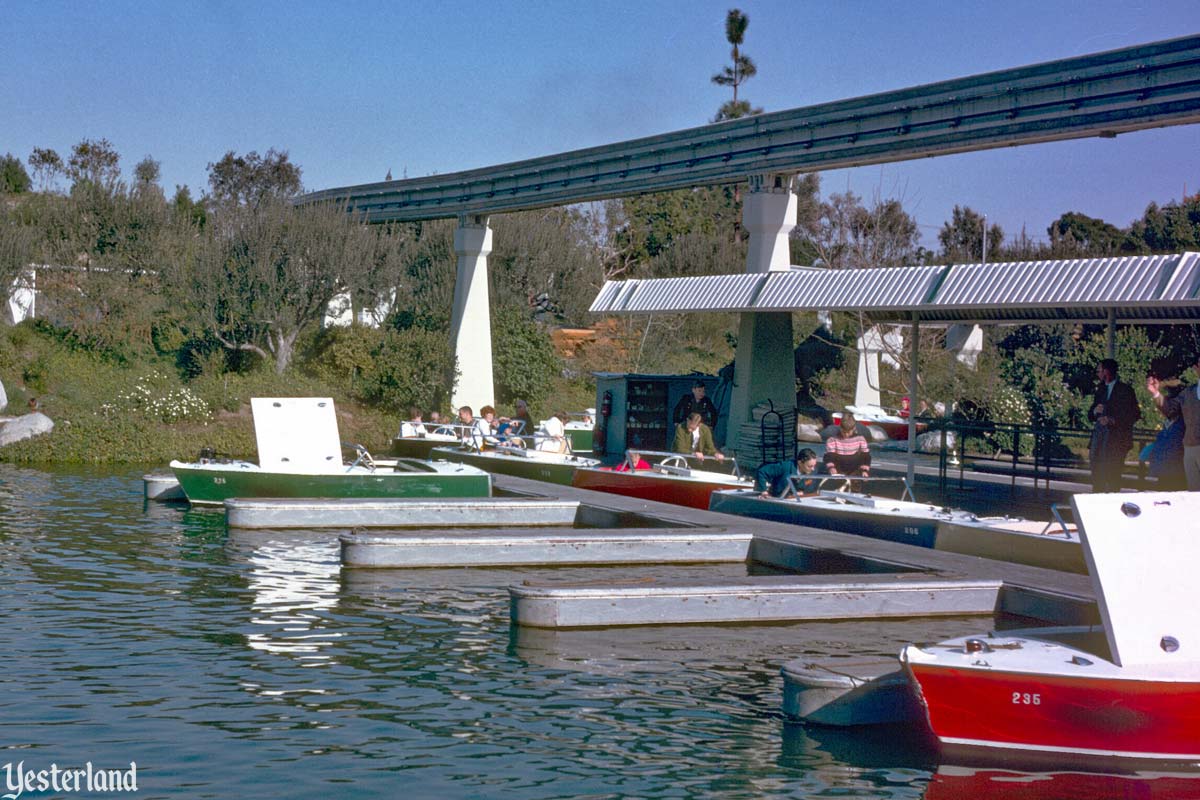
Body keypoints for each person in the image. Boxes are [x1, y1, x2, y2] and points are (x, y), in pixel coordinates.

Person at [1088, 358, 1140, 492]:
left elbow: (1134, 414)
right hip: (1099, 437)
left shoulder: (1125, 390)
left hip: (1116, 440)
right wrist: (1095, 411)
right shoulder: (1100, 389)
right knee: (1097, 473)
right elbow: (1090, 414)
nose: (1098, 374)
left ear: (1107, 371)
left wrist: (1113, 420)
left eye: (1099, 371)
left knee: (1112, 476)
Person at [1149, 356, 1200, 489]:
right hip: (1191, 448)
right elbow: (1170, 410)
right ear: (1196, 368)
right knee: (1194, 493)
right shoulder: (1188, 392)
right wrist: (1155, 393)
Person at [756, 448, 822, 498]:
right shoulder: (785, 467)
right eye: (810, 466)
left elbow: (811, 488)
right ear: (800, 462)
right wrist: (763, 491)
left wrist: (802, 493)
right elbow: (762, 471)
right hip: (778, 499)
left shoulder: (813, 471)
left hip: (798, 500)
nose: (813, 469)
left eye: (814, 465)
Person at [824, 413, 871, 477]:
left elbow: (865, 456)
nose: (846, 435)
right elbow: (829, 456)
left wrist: (864, 470)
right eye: (844, 432)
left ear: (853, 429)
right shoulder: (832, 439)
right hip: (838, 471)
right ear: (840, 427)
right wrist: (831, 467)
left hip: (855, 471)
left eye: (848, 432)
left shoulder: (860, 439)